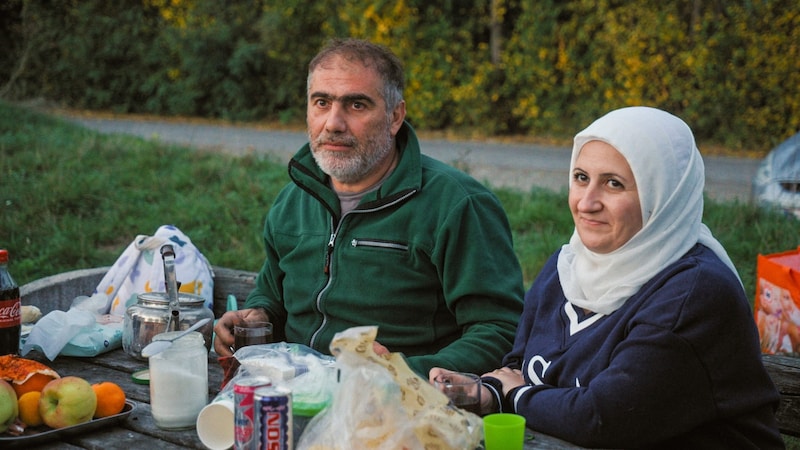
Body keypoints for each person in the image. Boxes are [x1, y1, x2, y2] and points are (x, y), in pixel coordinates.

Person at [430, 106, 784, 448]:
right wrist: (486, 392)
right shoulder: (567, 267)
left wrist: (513, 395)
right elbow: (521, 367)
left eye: (613, 184)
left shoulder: (694, 294)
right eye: (581, 178)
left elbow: (602, 417)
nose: (586, 202)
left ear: (662, 195)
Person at [213, 38, 524, 377]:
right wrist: (258, 315)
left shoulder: (458, 205)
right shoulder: (293, 201)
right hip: (295, 394)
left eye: (356, 105)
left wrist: (395, 374)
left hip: (400, 409)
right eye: (321, 102)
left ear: (395, 117)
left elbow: (499, 330)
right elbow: (272, 293)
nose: (333, 123)